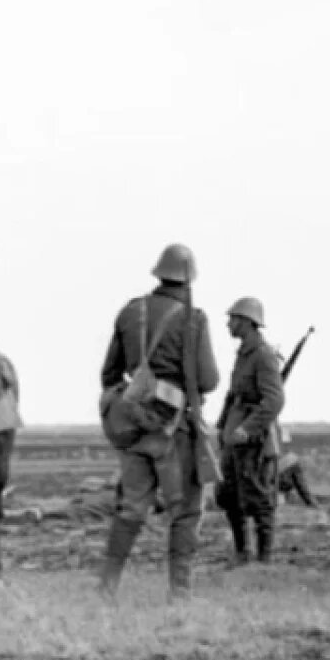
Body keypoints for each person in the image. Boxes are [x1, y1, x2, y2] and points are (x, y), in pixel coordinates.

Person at [97, 243, 220, 600]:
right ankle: (179, 594)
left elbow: (109, 373)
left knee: (131, 508)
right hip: (173, 428)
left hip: (133, 428)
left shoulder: (130, 312)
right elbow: (208, 379)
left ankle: (107, 587)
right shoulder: (193, 319)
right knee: (185, 511)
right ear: (188, 279)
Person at [214, 297, 285, 566]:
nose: (228, 324)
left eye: (233, 319)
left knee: (260, 500)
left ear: (246, 322)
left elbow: (274, 400)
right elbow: (232, 395)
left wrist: (248, 428)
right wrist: (223, 428)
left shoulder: (263, 355)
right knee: (229, 496)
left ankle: (264, 560)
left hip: (255, 440)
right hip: (235, 434)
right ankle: (242, 553)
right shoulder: (245, 353)